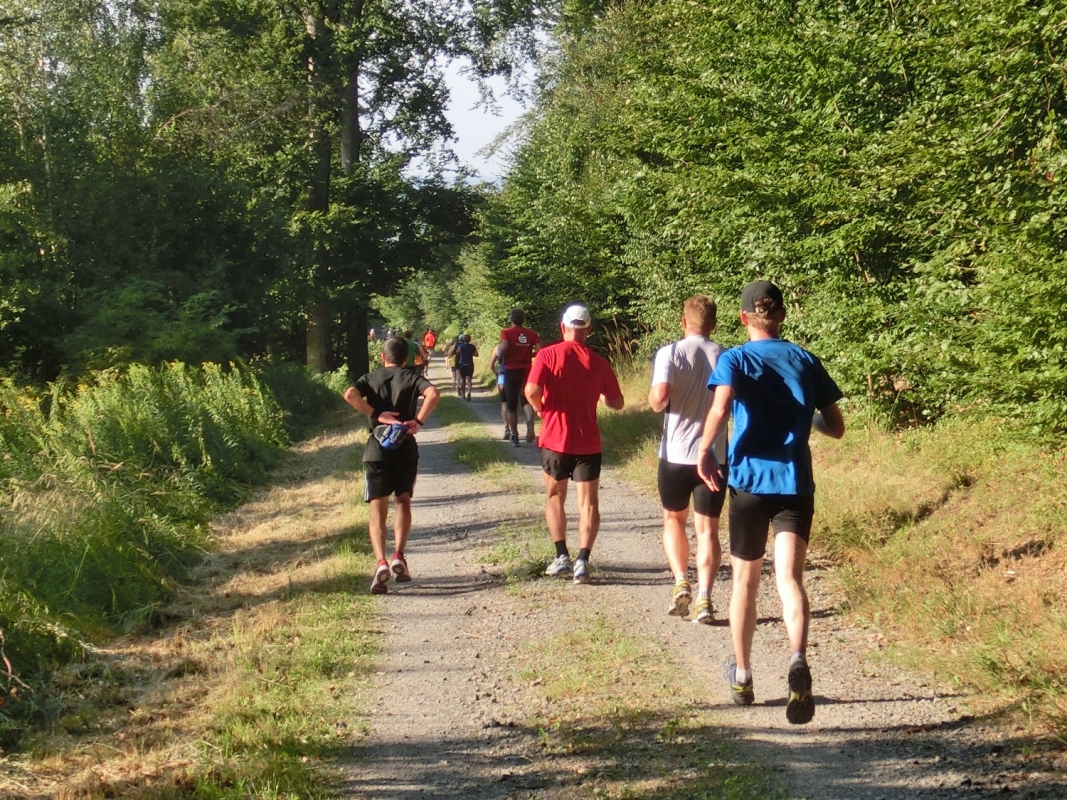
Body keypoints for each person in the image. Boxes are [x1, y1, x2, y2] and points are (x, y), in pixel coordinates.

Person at [696, 280, 845, 725]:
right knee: (790, 579)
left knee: (745, 582)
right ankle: (797, 657)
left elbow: (721, 408)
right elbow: (835, 427)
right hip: (795, 484)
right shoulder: (805, 358)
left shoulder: (735, 358)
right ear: (781, 316)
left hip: (749, 484)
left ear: (744, 318)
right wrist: (806, 419)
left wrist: (705, 450)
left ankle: (742, 676)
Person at [525, 304, 624, 585]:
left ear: (563, 327)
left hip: (555, 439)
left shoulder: (546, 354)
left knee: (555, 496)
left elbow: (531, 390)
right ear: (589, 330)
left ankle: (561, 557)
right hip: (588, 443)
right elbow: (617, 402)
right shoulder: (598, 361)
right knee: (588, 503)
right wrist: (603, 397)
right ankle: (583, 561)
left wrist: (542, 408)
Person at [648, 295, 727, 624]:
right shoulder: (726, 355)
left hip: (676, 455)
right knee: (708, 530)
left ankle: (681, 578)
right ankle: (705, 599)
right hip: (713, 456)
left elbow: (658, 400)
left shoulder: (670, 353)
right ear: (714, 324)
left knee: (673, 521)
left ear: (684, 322)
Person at [343, 337, 441, 594]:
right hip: (405, 447)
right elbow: (434, 393)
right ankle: (398, 554)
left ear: (382, 356)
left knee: (378, 510)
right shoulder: (411, 377)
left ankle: (381, 562)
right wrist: (417, 422)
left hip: (376, 450)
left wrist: (376, 414)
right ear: (405, 359)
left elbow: (350, 394)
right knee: (403, 501)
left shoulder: (370, 377)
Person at [499, 308, 541, 447]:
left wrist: (500, 354)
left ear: (511, 319)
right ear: (523, 320)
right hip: (527, 370)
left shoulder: (506, 332)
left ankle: (515, 435)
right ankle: (529, 421)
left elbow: (504, 347)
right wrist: (530, 355)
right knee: (526, 399)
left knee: (511, 404)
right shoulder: (531, 333)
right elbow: (540, 350)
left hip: (511, 370)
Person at [489, 343, 510, 439]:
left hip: (502, 376)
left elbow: (491, 366)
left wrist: (496, 374)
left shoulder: (497, 348)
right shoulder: (517, 347)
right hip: (516, 376)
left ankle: (507, 428)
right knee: (514, 404)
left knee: (504, 403)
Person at [454, 333, 478, 400]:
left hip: (462, 364)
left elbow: (457, 352)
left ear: (463, 340)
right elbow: (476, 355)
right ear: (469, 340)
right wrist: (470, 353)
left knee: (463, 380)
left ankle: (463, 394)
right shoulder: (472, 347)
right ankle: (469, 393)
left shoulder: (461, 346)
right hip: (470, 364)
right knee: (469, 379)